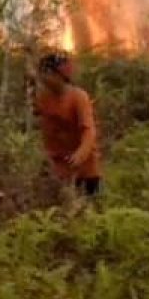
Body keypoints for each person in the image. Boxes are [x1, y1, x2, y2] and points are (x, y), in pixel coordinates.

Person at [32, 52, 102, 196]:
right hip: (59, 170)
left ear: (58, 75)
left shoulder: (78, 97)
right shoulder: (44, 99)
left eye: (47, 73)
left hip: (85, 171)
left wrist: (79, 155)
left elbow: (88, 131)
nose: (43, 78)